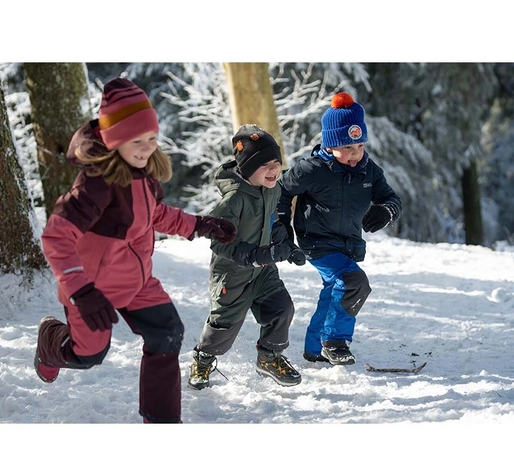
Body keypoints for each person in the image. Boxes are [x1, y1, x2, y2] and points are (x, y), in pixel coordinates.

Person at [34, 77, 236, 423]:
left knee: (168, 332)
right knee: (89, 355)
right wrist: (81, 292)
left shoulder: (142, 173)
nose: (145, 148)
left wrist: (198, 224)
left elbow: (154, 214)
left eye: (151, 139)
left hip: (138, 282)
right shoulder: (95, 185)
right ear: (114, 141)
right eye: (135, 140)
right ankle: (50, 343)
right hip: (93, 290)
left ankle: (161, 421)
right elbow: (55, 237)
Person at [277, 92, 402, 366]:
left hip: (348, 245)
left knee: (334, 289)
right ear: (330, 144)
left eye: (359, 146)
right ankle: (335, 342)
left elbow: (392, 199)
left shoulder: (369, 170)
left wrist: (385, 211)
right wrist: (283, 228)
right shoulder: (311, 169)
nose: (355, 154)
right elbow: (281, 189)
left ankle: (313, 349)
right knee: (353, 282)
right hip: (317, 242)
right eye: (347, 148)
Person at [188, 124, 306, 390]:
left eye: (277, 162)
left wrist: (287, 245)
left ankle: (269, 358)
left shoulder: (273, 189)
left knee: (282, 309)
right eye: (266, 165)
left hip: (263, 271)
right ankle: (203, 358)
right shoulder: (233, 200)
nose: (274, 169)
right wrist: (254, 255)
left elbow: (272, 222)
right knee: (223, 327)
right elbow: (218, 242)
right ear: (248, 168)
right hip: (232, 274)